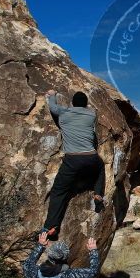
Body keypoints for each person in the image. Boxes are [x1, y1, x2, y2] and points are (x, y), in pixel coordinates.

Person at [42, 89, 105, 238]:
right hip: (91, 157)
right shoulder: (91, 115)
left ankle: (50, 227)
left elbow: (53, 107)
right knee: (100, 168)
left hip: (73, 160)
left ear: (72, 103)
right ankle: (98, 193)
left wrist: (51, 95)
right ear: (85, 105)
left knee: (59, 192)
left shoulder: (64, 113)